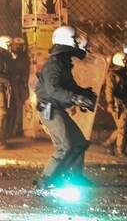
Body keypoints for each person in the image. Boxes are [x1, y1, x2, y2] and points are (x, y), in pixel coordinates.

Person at [34, 25, 98, 190]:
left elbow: (68, 85)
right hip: (50, 109)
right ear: (67, 42)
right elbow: (53, 89)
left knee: (79, 143)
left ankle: (72, 176)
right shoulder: (54, 64)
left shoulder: (63, 63)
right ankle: (46, 180)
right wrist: (75, 98)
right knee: (65, 146)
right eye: (76, 41)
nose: (79, 45)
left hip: (57, 109)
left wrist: (84, 94)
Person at [103, 51, 127, 159]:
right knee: (123, 127)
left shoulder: (123, 75)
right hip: (119, 105)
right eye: (126, 61)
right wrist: (110, 104)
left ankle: (109, 143)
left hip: (126, 104)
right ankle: (121, 150)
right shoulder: (113, 75)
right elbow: (109, 90)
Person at [7, 37, 30, 137]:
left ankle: (16, 128)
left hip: (19, 85)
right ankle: (10, 128)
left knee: (18, 106)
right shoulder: (9, 57)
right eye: (16, 46)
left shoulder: (24, 58)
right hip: (11, 84)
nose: (18, 48)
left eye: (20, 46)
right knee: (10, 107)